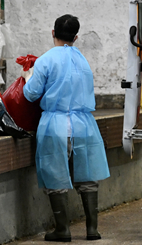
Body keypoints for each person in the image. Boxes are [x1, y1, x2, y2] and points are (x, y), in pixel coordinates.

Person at [23, 14, 110, 242]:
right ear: (76, 37)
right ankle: (92, 229)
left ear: (53, 33)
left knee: (55, 174)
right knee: (87, 175)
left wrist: (28, 76)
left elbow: (31, 94)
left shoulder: (46, 60)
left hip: (55, 124)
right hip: (84, 125)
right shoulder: (83, 61)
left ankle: (63, 230)